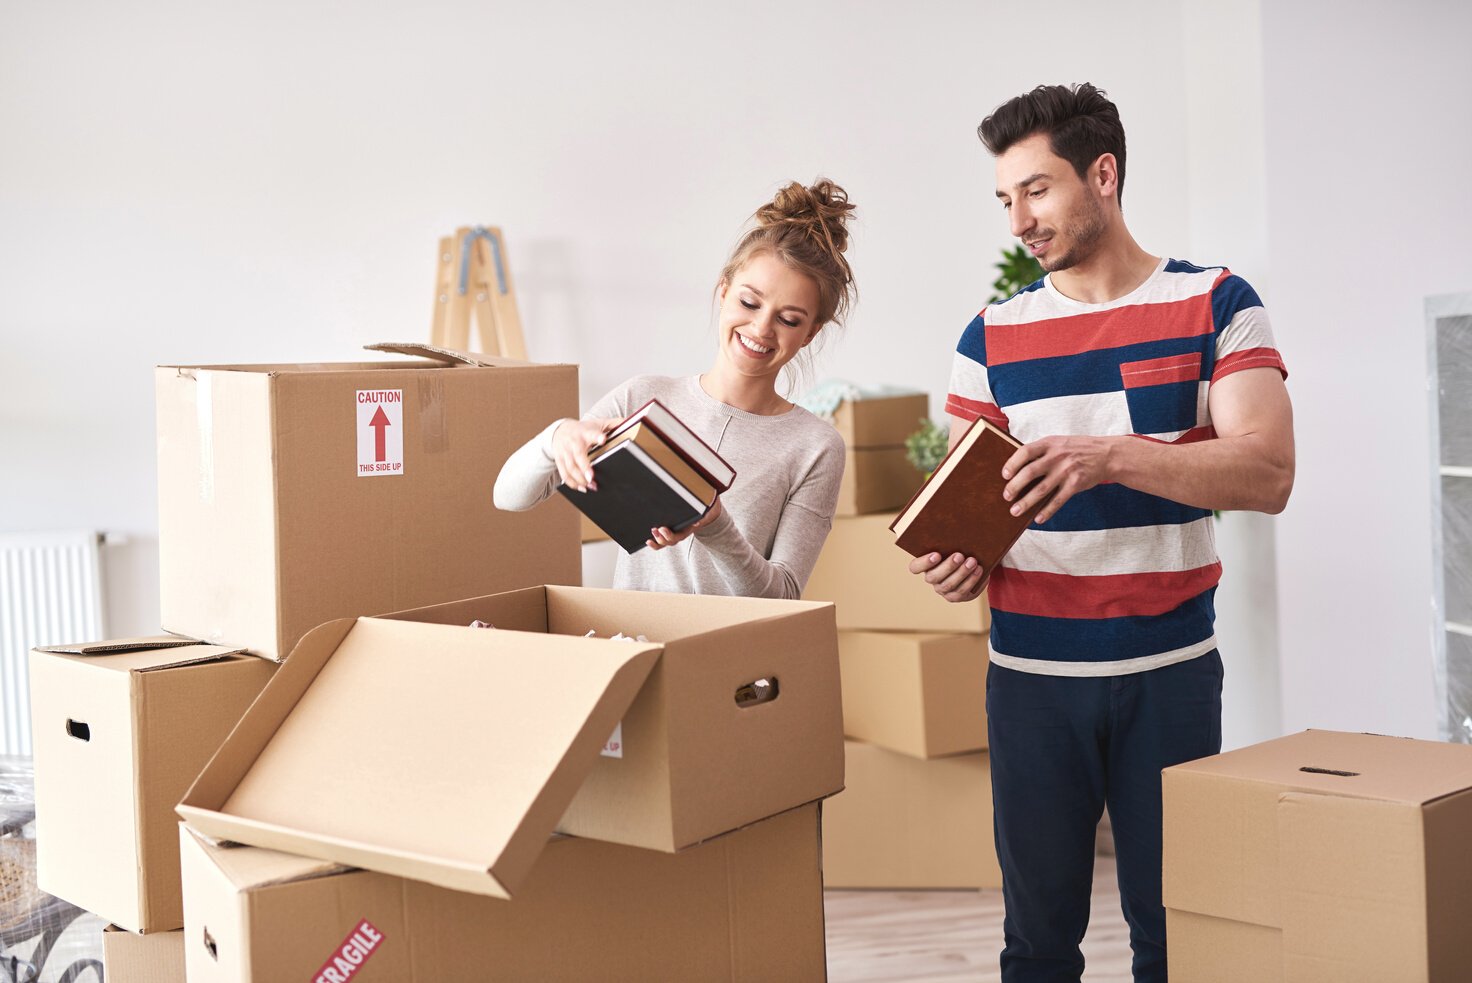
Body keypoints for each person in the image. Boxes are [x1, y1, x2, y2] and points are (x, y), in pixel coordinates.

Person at [911, 83, 1294, 982]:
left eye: (1036, 190)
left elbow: (1268, 472)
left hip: (1172, 678)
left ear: (1104, 173)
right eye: (1006, 199)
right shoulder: (990, 338)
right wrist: (959, 556)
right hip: (1031, 685)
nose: (1019, 221)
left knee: (1178, 938)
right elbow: (975, 505)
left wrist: (1114, 457)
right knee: (1037, 946)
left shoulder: (1217, 302)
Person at [494, 179, 856, 599]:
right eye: (749, 303)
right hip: (634, 649)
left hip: (735, 662)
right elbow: (509, 497)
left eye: (789, 319)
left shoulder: (815, 446)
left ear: (810, 333)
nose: (761, 329)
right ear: (724, 291)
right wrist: (556, 437)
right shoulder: (643, 398)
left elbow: (784, 597)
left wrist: (715, 526)